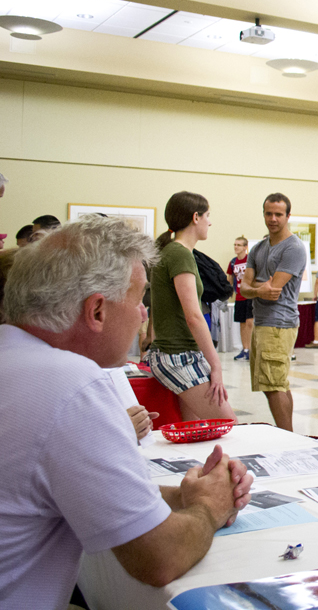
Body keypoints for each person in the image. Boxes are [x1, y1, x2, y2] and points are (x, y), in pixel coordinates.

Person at [0, 216, 252, 608]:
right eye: (138, 301)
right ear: (97, 311)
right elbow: (160, 557)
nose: (143, 315)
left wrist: (180, 496)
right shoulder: (72, 384)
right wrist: (210, 506)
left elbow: (72, 488)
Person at [145, 192, 236, 422]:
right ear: (196, 217)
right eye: (207, 216)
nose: (210, 222)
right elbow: (194, 316)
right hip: (178, 355)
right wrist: (216, 366)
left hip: (179, 353)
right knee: (229, 426)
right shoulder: (179, 254)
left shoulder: (174, 252)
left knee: (195, 430)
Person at [239, 193, 307, 432]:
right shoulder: (258, 248)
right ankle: (289, 435)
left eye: (278, 214)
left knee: (273, 384)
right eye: (269, 213)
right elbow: (244, 288)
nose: (273, 219)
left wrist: (254, 287)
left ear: (288, 216)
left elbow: (274, 289)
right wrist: (258, 288)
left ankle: (288, 437)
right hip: (262, 321)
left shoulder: (293, 248)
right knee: (274, 384)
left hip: (279, 323)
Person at [227, 236, 253, 361]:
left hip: (250, 295)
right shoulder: (233, 262)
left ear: (245, 247)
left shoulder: (250, 260)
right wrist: (229, 291)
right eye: (235, 244)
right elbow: (230, 277)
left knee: (250, 322)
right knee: (242, 323)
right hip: (239, 296)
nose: (236, 247)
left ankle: (252, 349)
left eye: (238, 245)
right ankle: (245, 349)